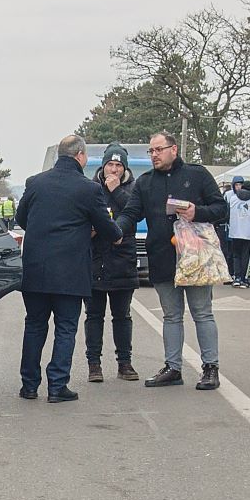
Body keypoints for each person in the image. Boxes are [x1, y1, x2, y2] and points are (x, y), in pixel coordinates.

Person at [14, 133, 123, 401]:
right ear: (80, 156)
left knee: (35, 325)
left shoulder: (36, 183)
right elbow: (106, 225)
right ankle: (57, 386)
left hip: (36, 268)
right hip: (70, 271)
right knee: (65, 327)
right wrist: (116, 234)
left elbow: (21, 218)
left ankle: (29, 385)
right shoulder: (88, 188)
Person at [132, 132, 226, 389]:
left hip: (194, 256)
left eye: (158, 150)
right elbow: (131, 212)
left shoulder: (197, 175)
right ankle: (173, 367)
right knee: (171, 315)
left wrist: (198, 212)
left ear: (173, 149)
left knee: (202, 313)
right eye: (151, 151)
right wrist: (114, 230)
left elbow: (221, 208)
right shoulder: (145, 182)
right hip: (162, 256)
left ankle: (210, 368)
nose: (154, 155)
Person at [86, 144, 142, 382]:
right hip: (95, 259)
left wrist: (117, 190)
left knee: (122, 315)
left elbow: (135, 213)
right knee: (94, 315)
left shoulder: (132, 188)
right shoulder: (91, 187)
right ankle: (94, 364)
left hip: (122, 259)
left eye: (119, 165)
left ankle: (125, 363)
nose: (114, 169)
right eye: (110, 164)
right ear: (103, 165)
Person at [223, 176, 250, 287]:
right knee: (245, 256)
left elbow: (227, 215)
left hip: (234, 231)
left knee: (236, 255)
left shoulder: (233, 199)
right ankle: (243, 278)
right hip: (248, 232)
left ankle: (237, 277)